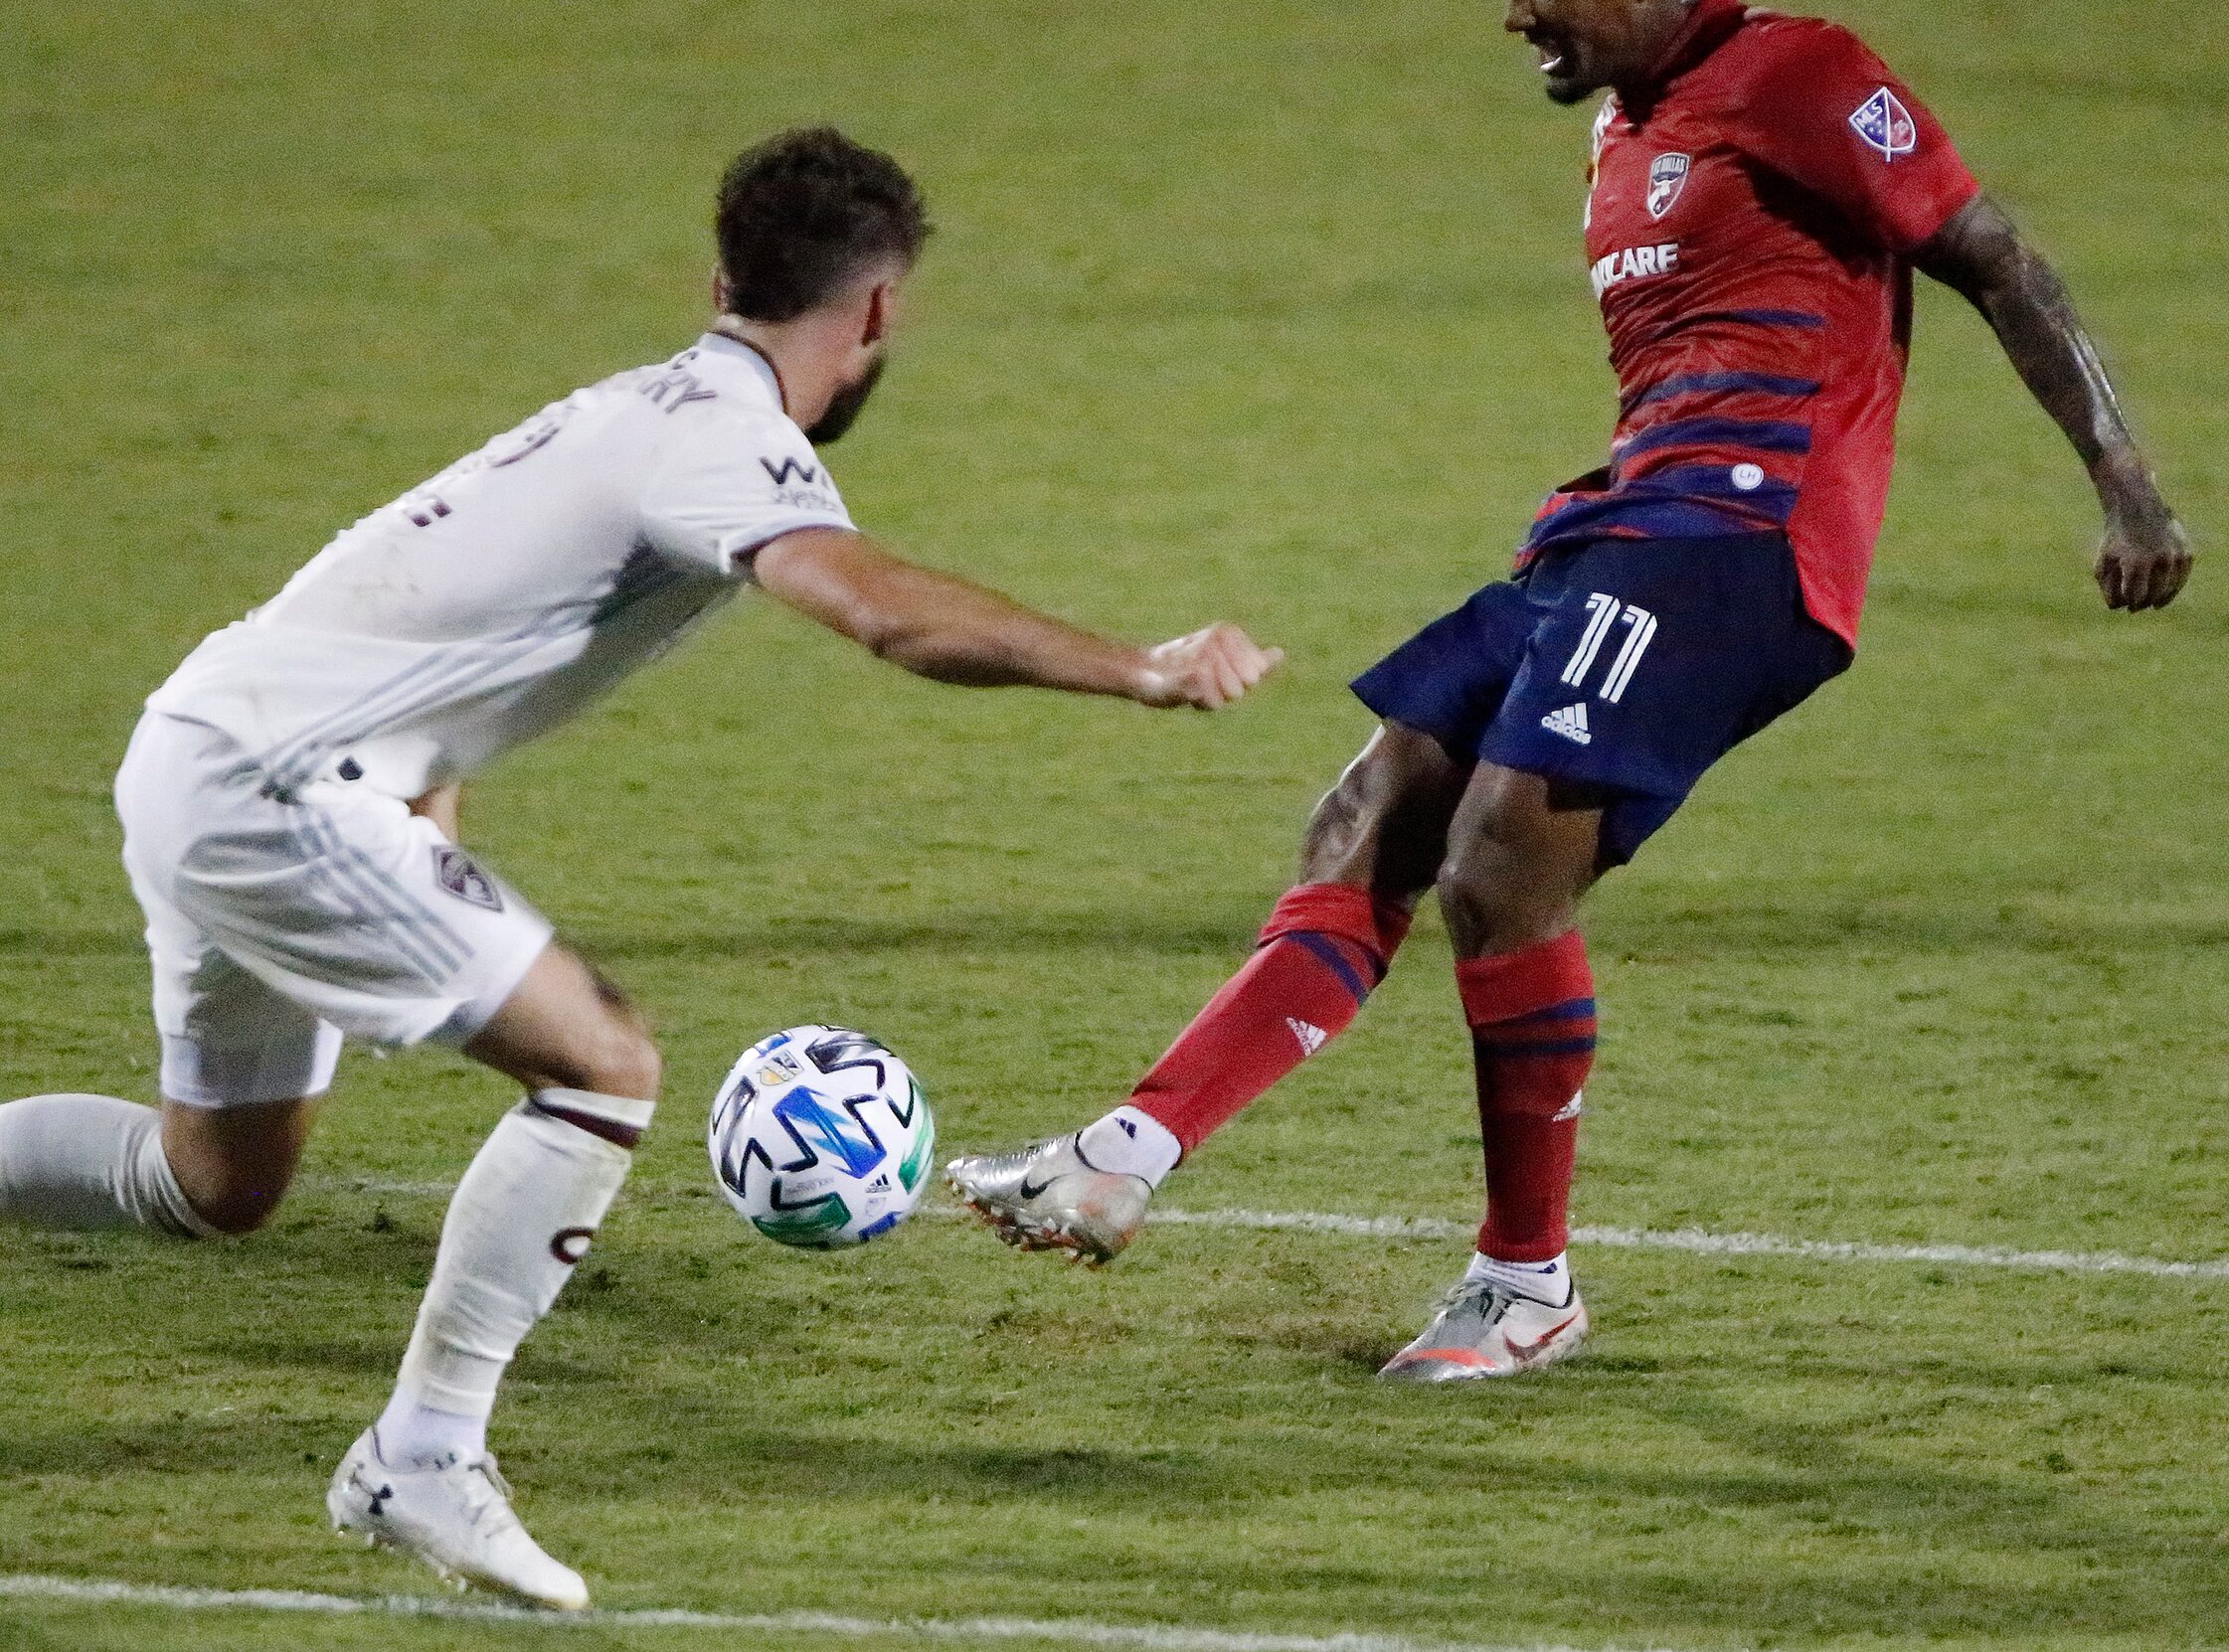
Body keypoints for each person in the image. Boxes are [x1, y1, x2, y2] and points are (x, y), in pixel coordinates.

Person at [946, 0, 2192, 1382]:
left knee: (1499, 864)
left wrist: (2125, 480)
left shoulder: (1803, 74)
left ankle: (1525, 1282)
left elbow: (1995, 256)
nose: (1518, 11)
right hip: (1613, 531)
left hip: (1742, 543)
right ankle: (1123, 1150)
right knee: (1372, 812)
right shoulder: (1622, 135)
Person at [0, 126, 1280, 1605]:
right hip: (278, 789)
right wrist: (1137, 666)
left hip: (206, 746)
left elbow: (422, 633)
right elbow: (884, 614)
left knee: (210, 1181)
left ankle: (416, 1438)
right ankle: (422, 1449)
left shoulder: (612, 414)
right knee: (603, 1062)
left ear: (723, 275)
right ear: (875, 312)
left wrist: (422, 852)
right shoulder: (722, 447)